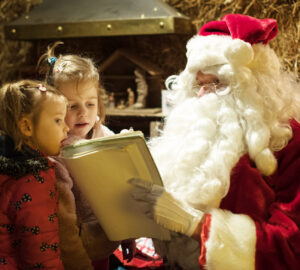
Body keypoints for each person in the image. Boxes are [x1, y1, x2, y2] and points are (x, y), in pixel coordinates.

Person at [129, 14, 300, 270]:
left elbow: (291, 246)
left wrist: (196, 225)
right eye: (199, 84)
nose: (202, 96)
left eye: (217, 83)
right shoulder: (192, 131)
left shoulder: (289, 142)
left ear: (258, 87)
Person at [38, 42, 156, 270]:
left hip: (105, 237)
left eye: (90, 104)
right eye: (72, 106)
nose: (83, 112)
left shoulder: (106, 135)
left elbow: (120, 189)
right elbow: (62, 219)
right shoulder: (55, 150)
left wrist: (127, 234)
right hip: (73, 247)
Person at [0, 80, 69, 269]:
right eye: (58, 120)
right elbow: (42, 255)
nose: (66, 128)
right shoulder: (33, 179)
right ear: (26, 127)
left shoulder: (7, 164)